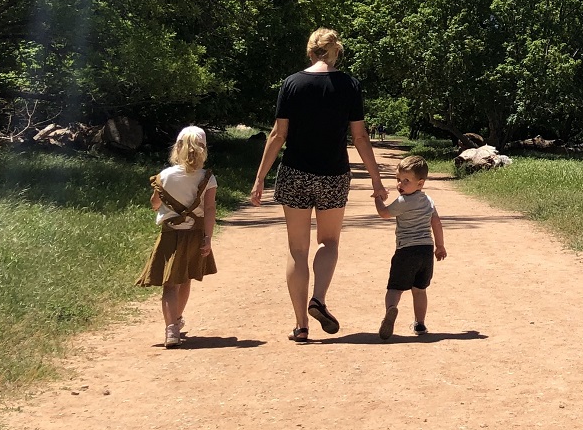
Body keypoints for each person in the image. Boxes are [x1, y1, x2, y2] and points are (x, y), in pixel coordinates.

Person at [250, 28, 386, 343]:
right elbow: (360, 137)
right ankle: (319, 299)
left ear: (310, 51)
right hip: (333, 174)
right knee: (329, 242)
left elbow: (278, 135)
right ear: (335, 51)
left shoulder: (292, 84)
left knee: (297, 249)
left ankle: (300, 325)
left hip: (295, 172)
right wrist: (377, 180)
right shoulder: (350, 85)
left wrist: (260, 179)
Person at [136, 126, 217, 349]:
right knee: (186, 278)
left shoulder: (164, 176)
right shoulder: (207, 178)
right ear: (203, 149)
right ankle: (177, 320)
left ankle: (171, 328)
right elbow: (209, 209)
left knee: (170, 284)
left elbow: (154, 204)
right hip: (194, 235)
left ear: (178, 147)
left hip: (170, 236)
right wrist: (207, 238)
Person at [373, 154, 446, 340]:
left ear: (420, 183)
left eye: (406, 181)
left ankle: (391, 310)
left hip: (406, 251)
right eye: (398, 179)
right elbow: (436, 223)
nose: (400, 184)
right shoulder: (428, 201)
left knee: (395, 288)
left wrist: (378, 198)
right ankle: (420, 323)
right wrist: (440, 246)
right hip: (426, 252)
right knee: (420, 289)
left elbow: (383, 214)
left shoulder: (404, 202)